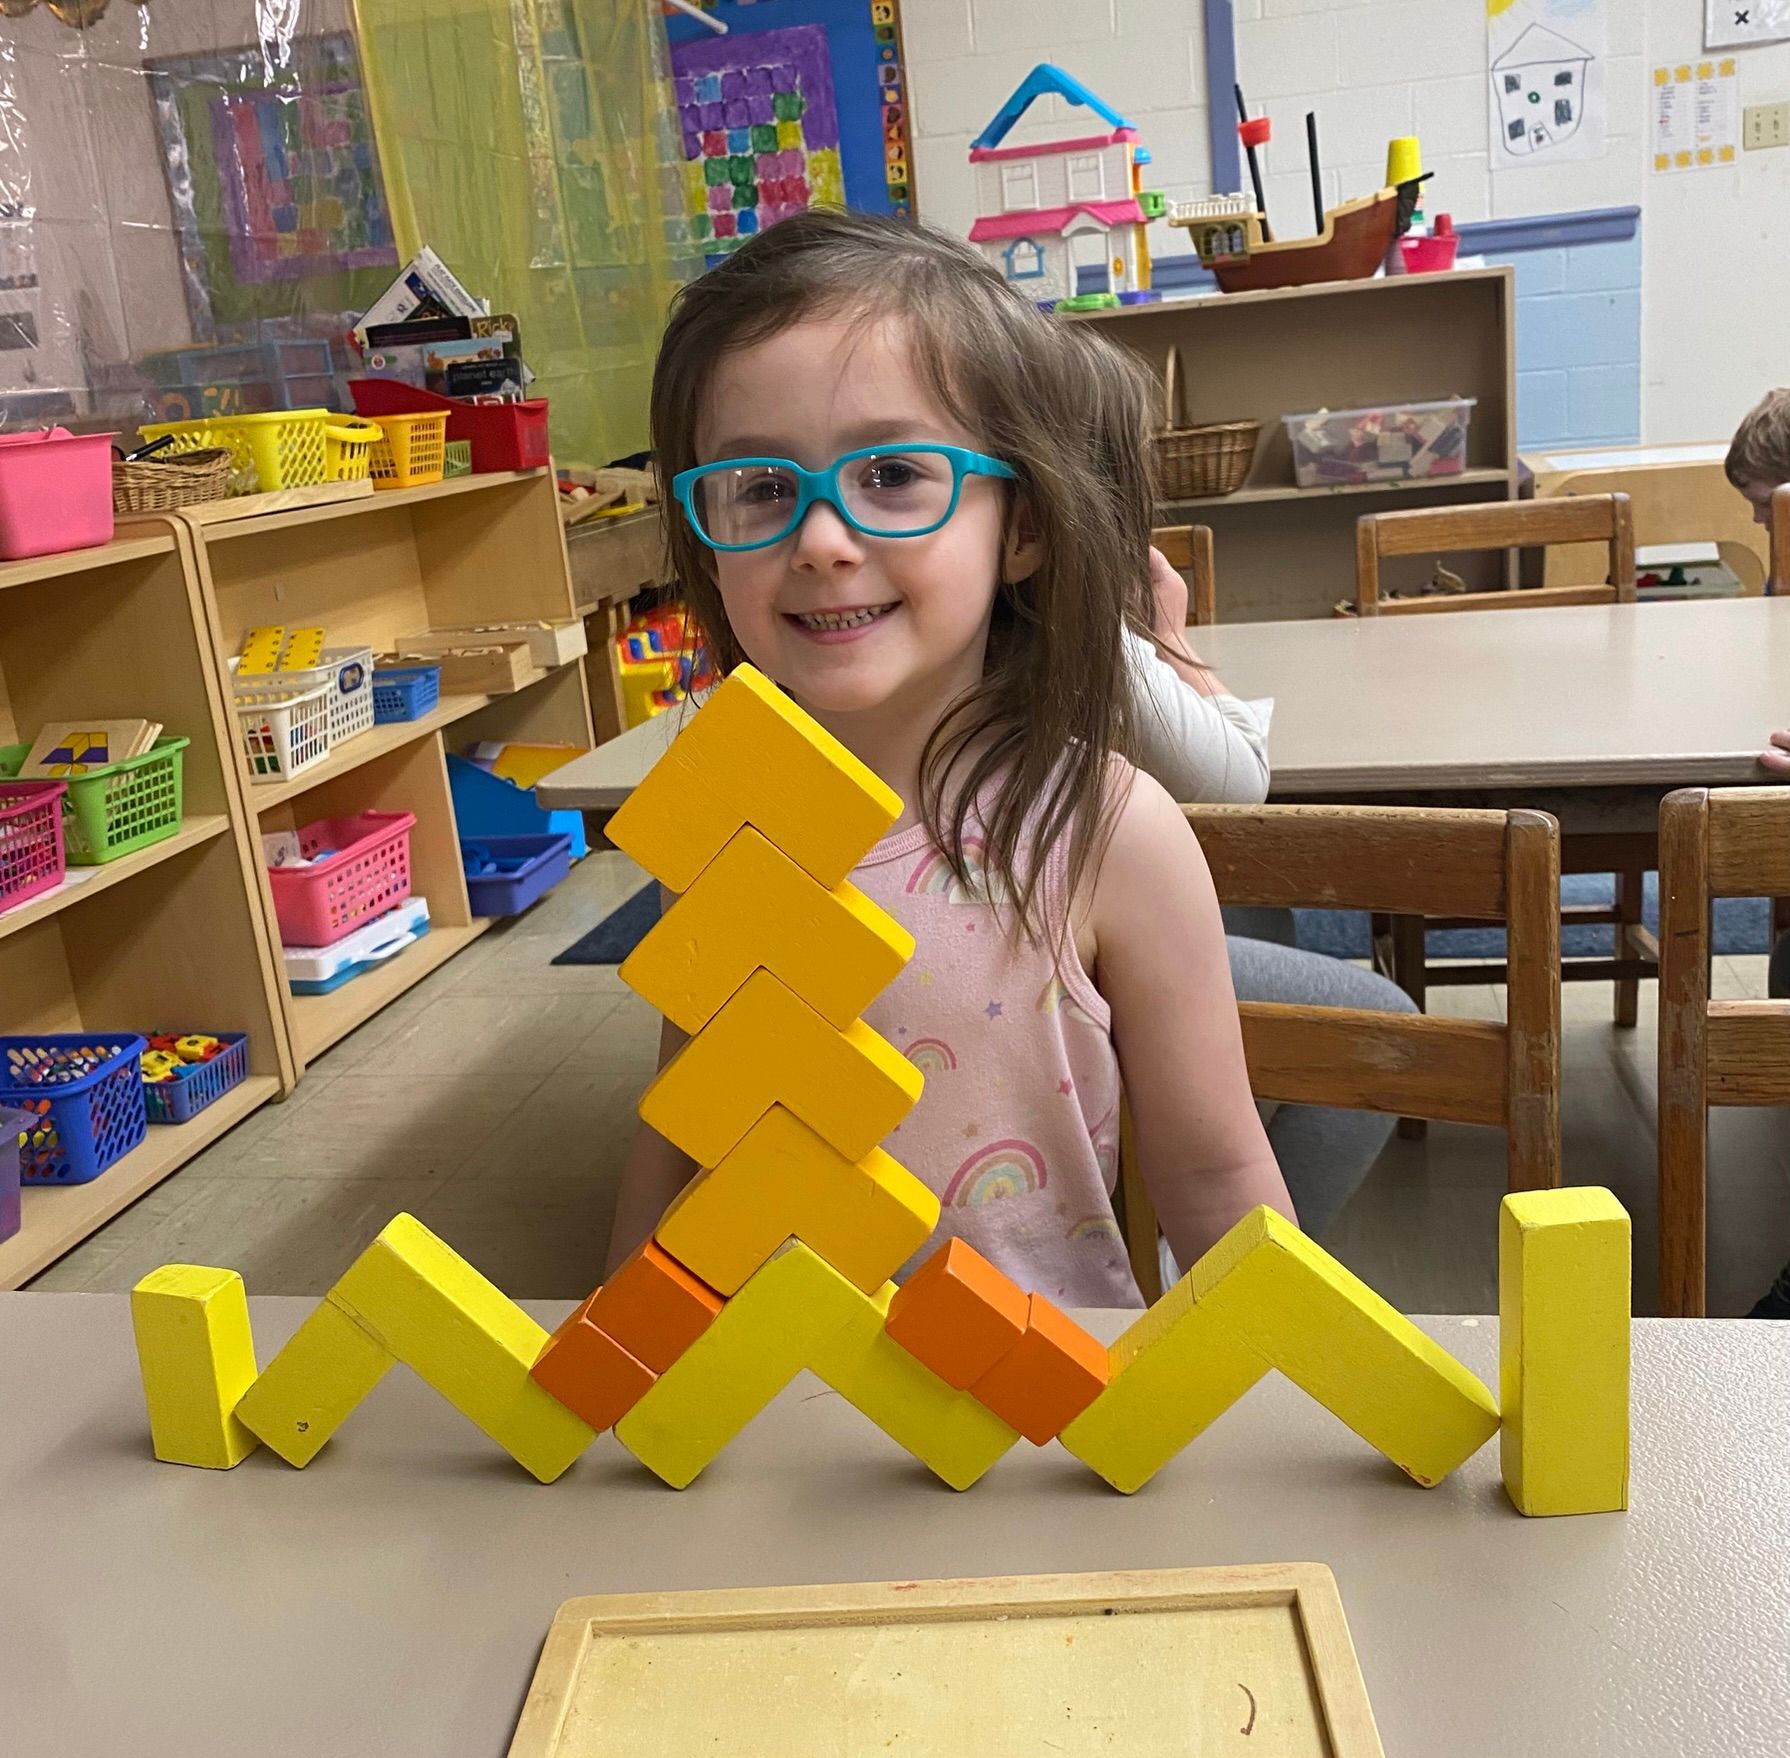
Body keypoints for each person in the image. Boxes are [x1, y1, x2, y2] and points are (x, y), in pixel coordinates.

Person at [608, 210, 1292, 1305]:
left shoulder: (1110, 832)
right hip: (779, 1418)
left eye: (890, 475)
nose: (822, 539)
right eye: (761, 488)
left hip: (1044, 1431)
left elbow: (1214, 1183)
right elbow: (685, 1131)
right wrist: (618, 1358)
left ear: (1018, 528)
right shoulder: (726, 829)